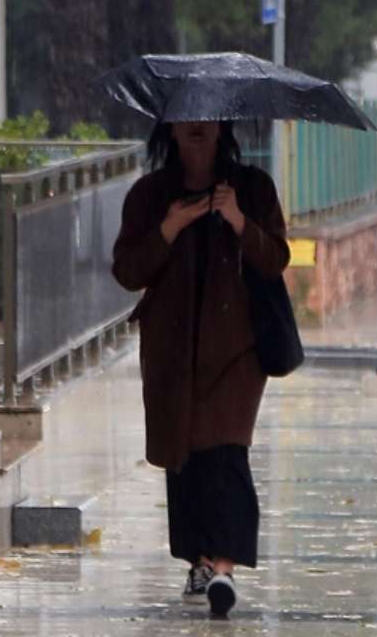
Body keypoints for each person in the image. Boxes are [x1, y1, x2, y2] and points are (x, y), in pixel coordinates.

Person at [112, 120, 289, 619]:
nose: (197, 125)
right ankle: (202, 560)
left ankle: (225, 568)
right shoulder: (150, 195)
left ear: (221, 126)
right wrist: (169, 227)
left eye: (207, 117)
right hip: (172, 349)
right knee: (185, 454)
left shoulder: (252, 188)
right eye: (187, 117)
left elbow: (276, 258)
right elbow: (127, 270)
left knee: (227, 451)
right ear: (170, 128)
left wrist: (238, 220)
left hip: (237, 351)